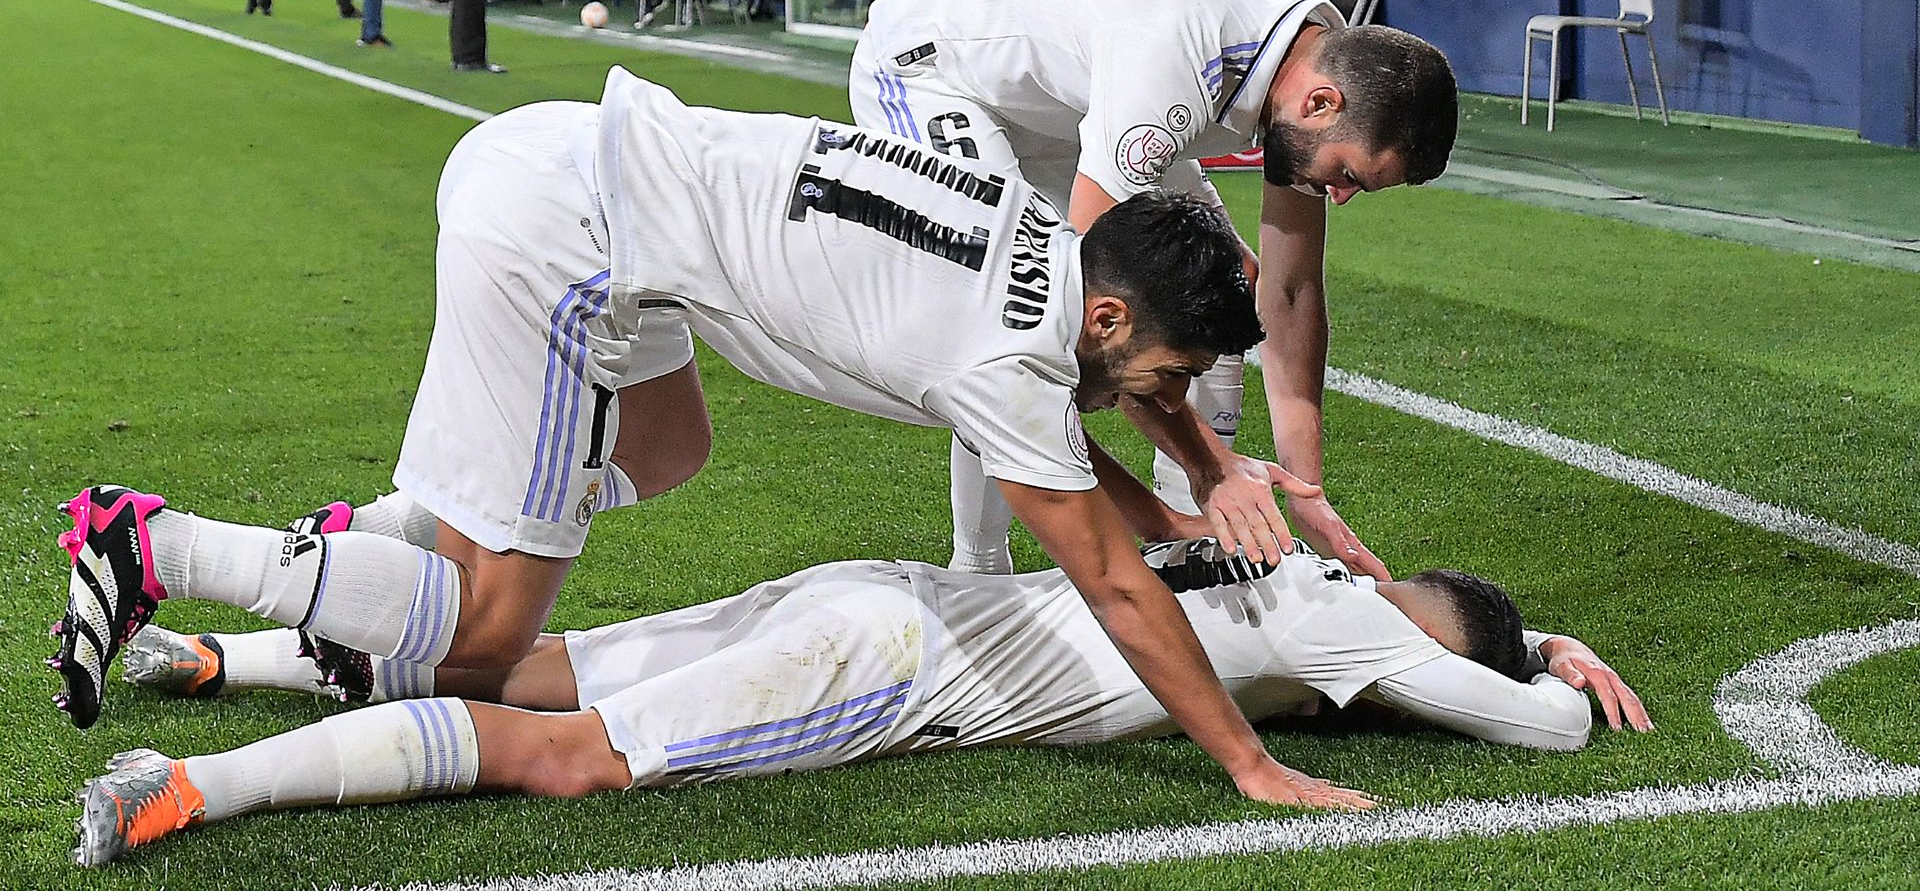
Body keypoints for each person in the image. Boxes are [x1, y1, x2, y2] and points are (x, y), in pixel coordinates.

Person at [52, 69, 1349, 817]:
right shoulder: (1014, 361)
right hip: (569, 240)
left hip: (588, 171)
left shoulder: (1046, 248)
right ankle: (155, 542)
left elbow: (1087, 403)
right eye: (1170, 375)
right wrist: (1249, 764)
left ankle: (360, 546)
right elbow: (1106, 577)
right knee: (486, 641)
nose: (1164, 396)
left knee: (665, 451)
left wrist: (1201, 481)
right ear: (1110, 312)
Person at [72, 539, 1651, 865]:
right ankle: (192, 783)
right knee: (568, 759)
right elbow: (1546, 730)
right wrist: (1551, 662)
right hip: (887, 668)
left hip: (871, 590)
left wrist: (1527, 626)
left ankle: (215, 658)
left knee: (527, 659)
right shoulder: (1358, 635)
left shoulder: (1277, 571)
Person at [852, 0, 1458, 578]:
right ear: (1320, 104)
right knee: (1013, 321)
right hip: (932, 70)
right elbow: (1088, 308)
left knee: (1225, 297)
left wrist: (1304, 490)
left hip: (1067, 93)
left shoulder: (1323, 51)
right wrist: (1211, 464)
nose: (1337, 196)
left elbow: (1286, 291)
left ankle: (1191, 550)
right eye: (1346, 175)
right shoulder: (1174, 61)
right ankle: (979, 571)